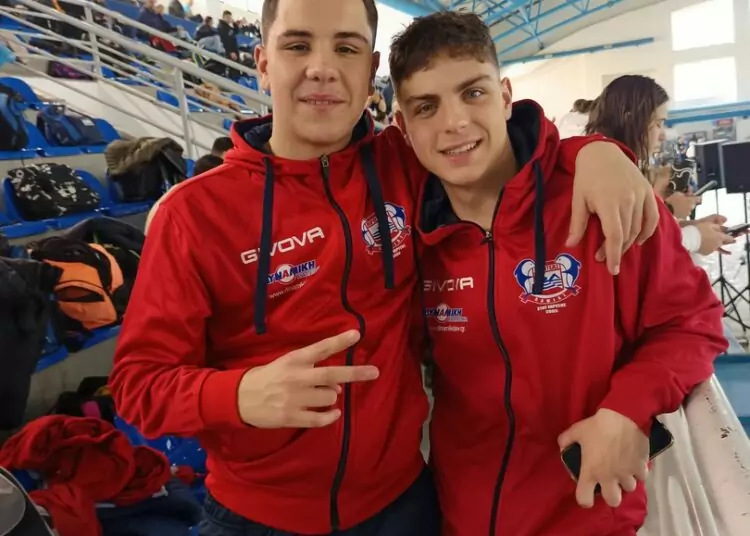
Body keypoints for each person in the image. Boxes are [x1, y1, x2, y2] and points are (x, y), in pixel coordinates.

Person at [109, 1, 659, 535]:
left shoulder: (404, 161)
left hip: (403, 506)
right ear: (262, 62)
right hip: (257, 517)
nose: (322, 67)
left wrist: (596, 152)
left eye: (346, 48)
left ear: (370, 70)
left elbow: (504, 142)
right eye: (297, 45)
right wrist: (238, 395)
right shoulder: (194, 214)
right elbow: (137, 386)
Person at [389, 12, 727, 536]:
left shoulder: (601, 203)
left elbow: (692, 322)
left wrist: (627, 410)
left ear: (505, 96)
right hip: (460, 515)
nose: (454, 122)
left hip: (589, 514)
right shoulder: (410, 231)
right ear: (402, 126)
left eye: (473, 93)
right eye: (426, 107)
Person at [587, 75, 734, 257]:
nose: (663, 135)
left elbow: (642, 229)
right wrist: (694, 236)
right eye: (658, 124)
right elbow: (628, 249)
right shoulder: (608, 172)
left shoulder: (619, 164)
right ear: (630, 120)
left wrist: (695, 227)